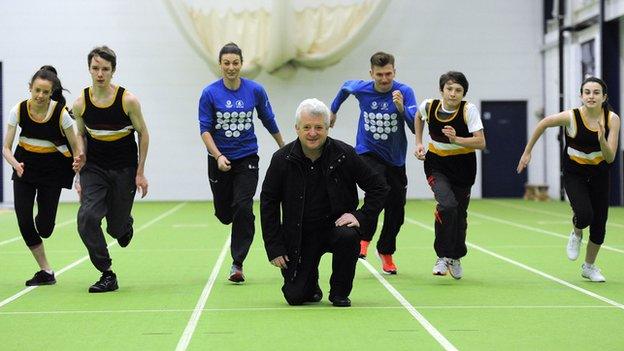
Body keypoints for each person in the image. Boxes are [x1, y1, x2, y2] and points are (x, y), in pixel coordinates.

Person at [261, 98, 388, 307]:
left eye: (319, 127)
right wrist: (274, 247)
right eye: (307, 127)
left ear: (328, 128)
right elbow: (269, 204)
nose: (312, 133)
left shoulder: (345, 154)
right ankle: (311, 286)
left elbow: (379, 187)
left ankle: (339, 291)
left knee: (348, 236)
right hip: (299, 234)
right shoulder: (281, 159)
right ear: (297, 129)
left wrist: (359, 216)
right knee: (296, 297)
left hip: (336, 229)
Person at [517, 77, 620, 282]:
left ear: (604, 97)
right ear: (581, 96)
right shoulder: (571, 117)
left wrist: (601, 141)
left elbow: (610, 157)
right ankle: (576, 234)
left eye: (596, 92)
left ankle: (589, 267)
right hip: (575, 174)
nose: (591, 96)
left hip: (600, 174)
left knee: (599, 225)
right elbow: (544, 123)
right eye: (587, 92)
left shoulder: (612, 119)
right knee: (583, 215)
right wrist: (527, 152)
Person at [198, 42, 284, 283]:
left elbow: (268, 119)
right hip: (219, 158)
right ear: (220, 65)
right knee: (225, 214)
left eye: (235, 63)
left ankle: (237, 263)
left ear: (241, 64)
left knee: (243, 207)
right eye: (226, 63)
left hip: (247, 157)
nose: (231, 67)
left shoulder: (255, 91)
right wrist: (218, 156)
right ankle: (227, 214)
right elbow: (205, 130)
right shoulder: (210, 93)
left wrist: (284, 147)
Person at [329, 51, 417, 274]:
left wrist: (401, 109)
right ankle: (364, 239)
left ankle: (386, 251)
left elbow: (416, 126)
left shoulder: (405, 92)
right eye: (380, 75)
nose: (385, 79)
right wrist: (333, 111)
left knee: (396, 209)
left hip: (395, 159)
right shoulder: (362, 89)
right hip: (367, 151)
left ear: (394, 72)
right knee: (378, 192)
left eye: (388, 74)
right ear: (372, 74)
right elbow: (343, 88)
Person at [72, 46, 150, 293]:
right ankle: (106, 272)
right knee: (87, 218)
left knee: (116, 229)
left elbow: (143, 134)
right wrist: (79, 167)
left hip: (124, 169)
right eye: (95, 68)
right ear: (89, 69)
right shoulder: (80, 103)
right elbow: (81, 135)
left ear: (113, 71)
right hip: (94, 168)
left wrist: (140, 172)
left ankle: (124, 224)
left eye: (105, 69)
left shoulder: (128, 101)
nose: (100, 74)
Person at [2, 66, 84, 286]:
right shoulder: (18, 110)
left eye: (45, 92)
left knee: (45, 229)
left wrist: (78, 171)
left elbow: (77, 148)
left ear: (51, 93)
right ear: (30, 88)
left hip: (53, 171)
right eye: (36, 90)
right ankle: (46, 271)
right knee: (24, 221)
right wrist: (15, 165)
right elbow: (6, 148)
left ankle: (44, 218)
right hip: (25, 168)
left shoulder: (62, 115)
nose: (40, 95)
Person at [414, 71, 486, 280]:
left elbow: (481, 142)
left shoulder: (468, 110)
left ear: (464, 93)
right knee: (446, 205)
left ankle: (455, 256)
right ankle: (442, 256)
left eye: (458, 90)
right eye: (449, 89)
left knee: (459, 214)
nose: (453, 94)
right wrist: (419, 142)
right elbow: (418, 117)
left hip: (463, 167)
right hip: (436, 164)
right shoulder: (429, 106)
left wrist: (458, 139)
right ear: (441, 90)